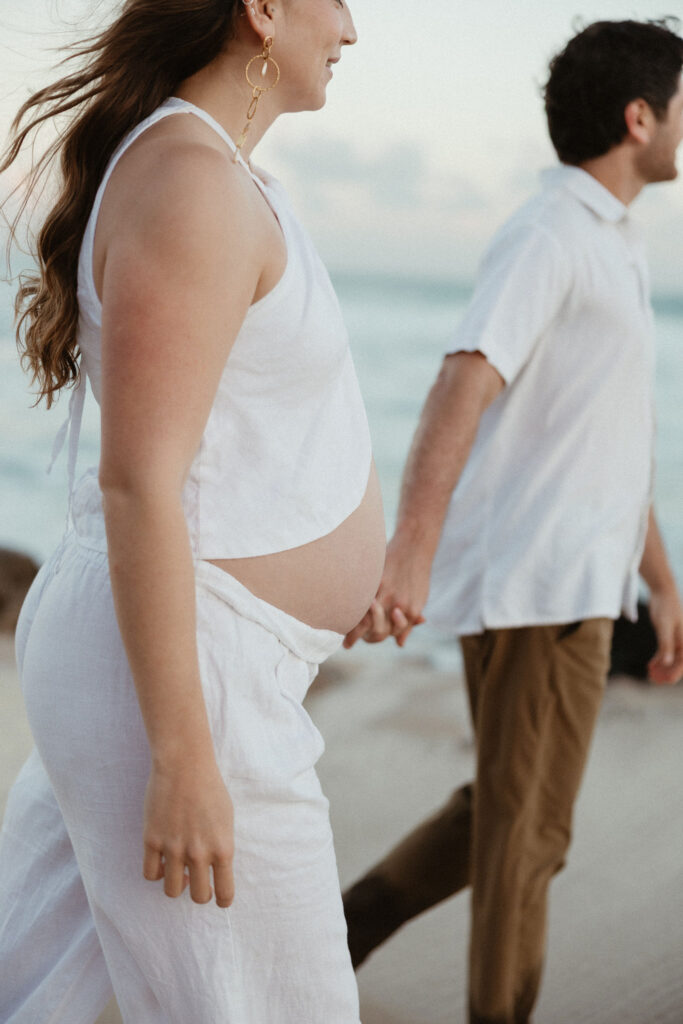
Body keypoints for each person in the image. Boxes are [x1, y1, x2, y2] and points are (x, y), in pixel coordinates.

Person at [0, 0, 387, 1021]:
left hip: (166, 653)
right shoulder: (191, 183)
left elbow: (239, 435)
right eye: (336, 0)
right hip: (187, 676)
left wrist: (347, 555)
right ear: (262, 11)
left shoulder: (215, 173)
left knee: (38, 990)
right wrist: (182, 754)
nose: (349, 29)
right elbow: (138, 481)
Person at [342, 18, 683, 1024]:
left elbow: (608, 452)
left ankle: (341, 925)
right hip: (536, 590)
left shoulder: (603, 243)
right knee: (524, 841)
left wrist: (660, 582)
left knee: (508, 818)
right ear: (637, 118)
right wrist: (408, 552)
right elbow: (461, 383)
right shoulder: (549, 237)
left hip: (578, 581)